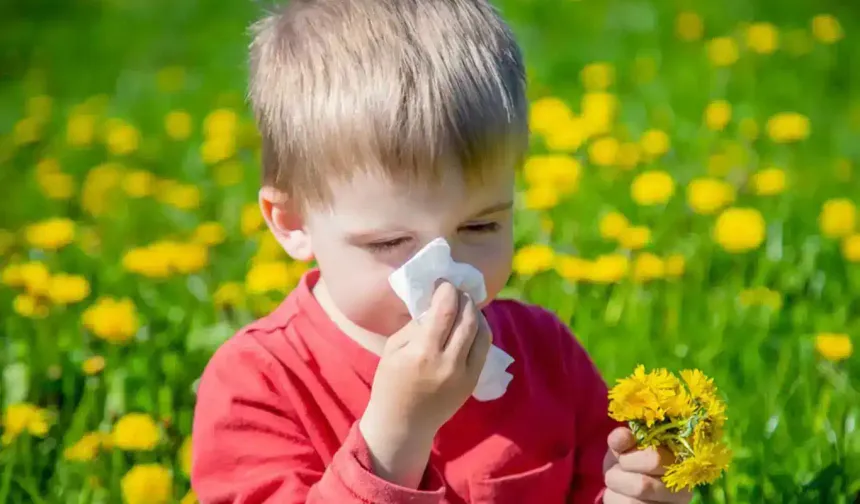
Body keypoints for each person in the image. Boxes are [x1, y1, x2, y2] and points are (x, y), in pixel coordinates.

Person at [191, 1, 693, 503]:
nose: (445, 278)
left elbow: (597, 483)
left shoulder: (545, 356)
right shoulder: (259, 384)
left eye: (481, 225)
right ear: (293, 222)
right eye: (389, 242)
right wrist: (396, 437)